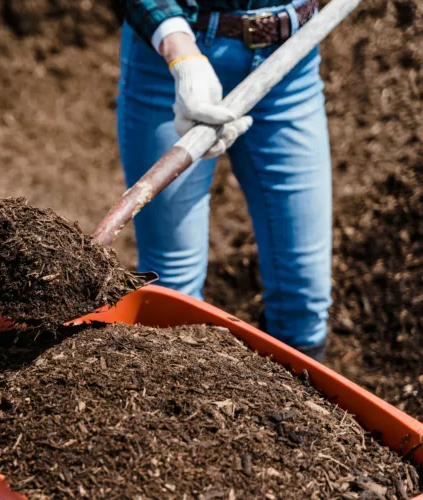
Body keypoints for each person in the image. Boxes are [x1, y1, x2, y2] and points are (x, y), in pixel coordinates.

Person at [115, 0, 331, 362]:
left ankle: (293, 413)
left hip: (292, 58)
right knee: (173, 291)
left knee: (304, 298)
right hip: (174, 59)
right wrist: (180, 52)